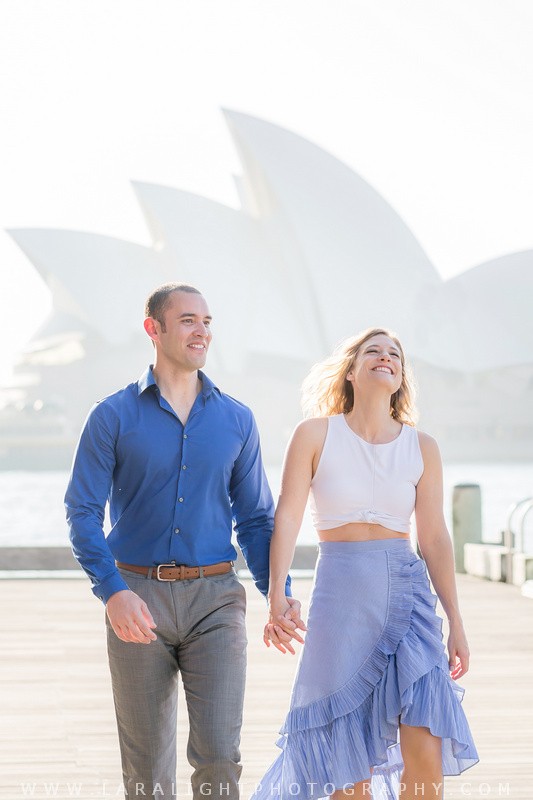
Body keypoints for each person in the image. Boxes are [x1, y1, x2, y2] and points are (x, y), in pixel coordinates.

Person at [64, 282, 298, 800]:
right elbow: (81, 512)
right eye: (189, 319)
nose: (202, 331)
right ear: (154, 329)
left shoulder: (237, 419)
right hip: (136, 596)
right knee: (146, 767)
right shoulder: (112, 416)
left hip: (216, 600)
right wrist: (113, 590)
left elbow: (256, 519)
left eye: (208, 321)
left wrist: (275, 595)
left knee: (219, 755)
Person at [256, 328, 479, 800]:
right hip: (340, 597)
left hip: (408, 597)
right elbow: (289, 515)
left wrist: (456, 621)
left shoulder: (423, 447)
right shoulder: (315, 434)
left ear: (400, 377)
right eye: (372, 351)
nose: (385, 357)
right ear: (352, 371)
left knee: (425, 744)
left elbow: (435, 537)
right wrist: (278, 592)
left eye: (394, 354)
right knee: (344, 760)